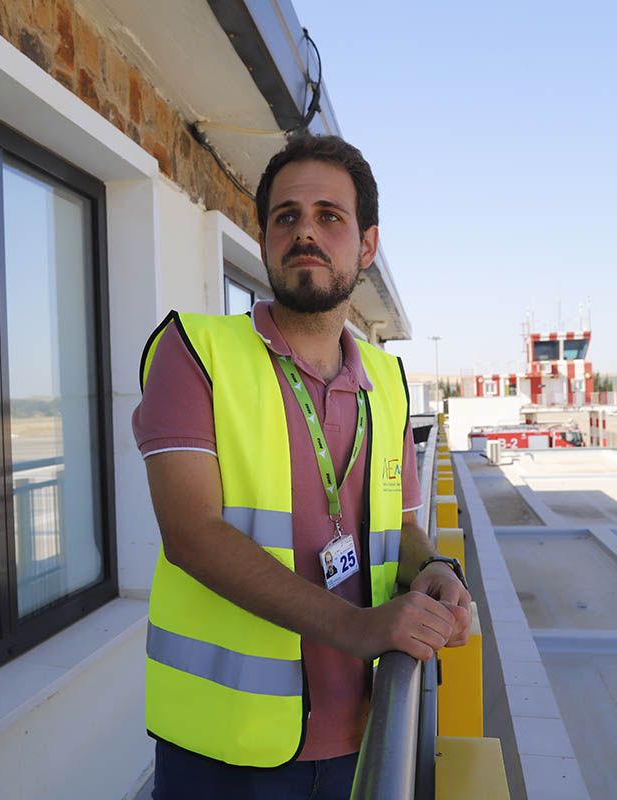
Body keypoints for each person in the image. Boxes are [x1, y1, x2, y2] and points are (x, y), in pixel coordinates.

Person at [133, 135, 472, 800]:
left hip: (366, 731)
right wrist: (360, 628)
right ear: (264, 239)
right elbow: (190, 535)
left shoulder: (388, 381)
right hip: (225, 753)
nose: (305, 232)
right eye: (285, 216)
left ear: (367, 246)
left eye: (329, 216)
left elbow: (400, 526)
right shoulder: (194, 351)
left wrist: (431, 565)